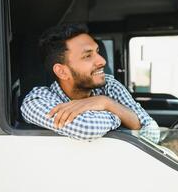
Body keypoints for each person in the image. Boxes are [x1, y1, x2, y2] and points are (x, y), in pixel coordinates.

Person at [20, 23, 159, 141]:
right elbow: (87, 128)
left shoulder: (108, 86)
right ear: (62, 71)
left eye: (97, 51)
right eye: (87, 56)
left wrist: (104, 102)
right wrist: (117, 112)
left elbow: (152, 133)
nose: (102, 61)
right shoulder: (37, 100)